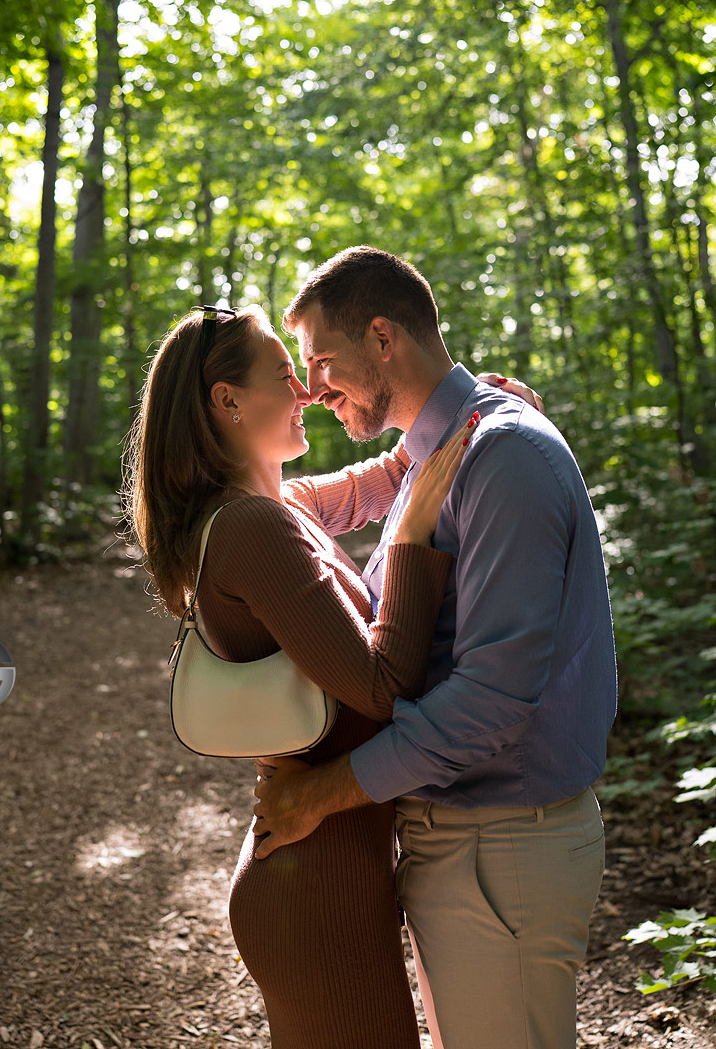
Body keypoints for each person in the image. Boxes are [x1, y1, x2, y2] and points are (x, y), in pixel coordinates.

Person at [253, 247, 618, 1049]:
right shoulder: (441, 448)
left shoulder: (502, 458)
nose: (311, 388)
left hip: (503, 843)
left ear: (382, 338)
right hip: (460, 834)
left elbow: (492, 697)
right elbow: (277, 514)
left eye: (320, 360)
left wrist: (320, 795)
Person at [125, 301, 481, 1049]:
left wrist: (464, 412)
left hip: (323, 876)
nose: (309, 391)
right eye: (286, 374)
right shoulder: (253, 527)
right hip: (314, 892)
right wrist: (414, 539)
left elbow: (381, 478)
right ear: (227, 401)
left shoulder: (266, 507)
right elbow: (383, 687)